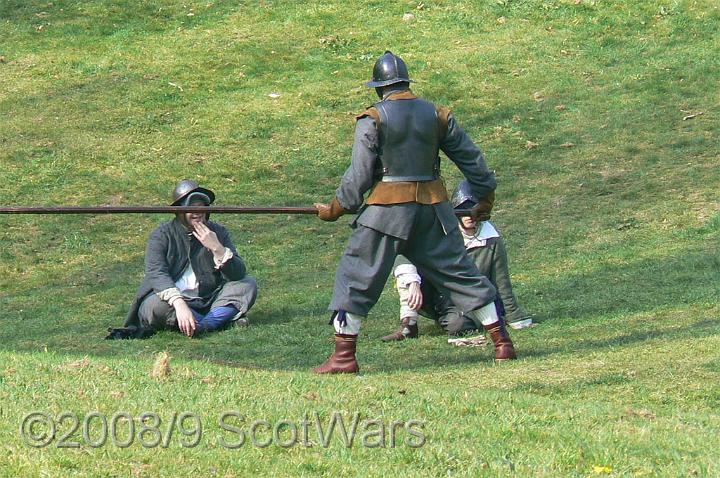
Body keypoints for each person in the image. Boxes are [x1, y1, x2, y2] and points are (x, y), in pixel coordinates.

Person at [313, 51, 516, 373]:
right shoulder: (438, 114)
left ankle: (343, 356)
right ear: (406, 83)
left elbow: (360, 175)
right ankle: (502, 342)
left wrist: (337, 208)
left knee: (355, 275)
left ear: (379, 88)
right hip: (434, 212)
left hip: (385, 214)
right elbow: (475, 164)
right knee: (460, 273)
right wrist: (485, 199)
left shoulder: (372, 118)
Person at [383, 179, 534, 342]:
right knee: (405, 264)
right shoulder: (440, 231)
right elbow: (406, 253)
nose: (470, 217)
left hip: (473, 296)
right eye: (464, 211)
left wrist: (516, 318)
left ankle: (476, 318)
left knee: (457, 325)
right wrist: (413, 283)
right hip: (439, 295)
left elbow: (502, 282)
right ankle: (408, 325)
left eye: (474, 211)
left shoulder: (492, 240)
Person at [114, 179, 257, 338]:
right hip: (172, 303)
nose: (198, 212)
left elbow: (238, 274)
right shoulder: (161, 235)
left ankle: (204, 325)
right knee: (152, 306)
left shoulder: (218, 232)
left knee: (247, 284)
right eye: (191, 207)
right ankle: (218, 322)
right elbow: (156, 273)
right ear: (179, 211)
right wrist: (179, 304)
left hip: (210, 300)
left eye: (202, 207)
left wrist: (217, 248)